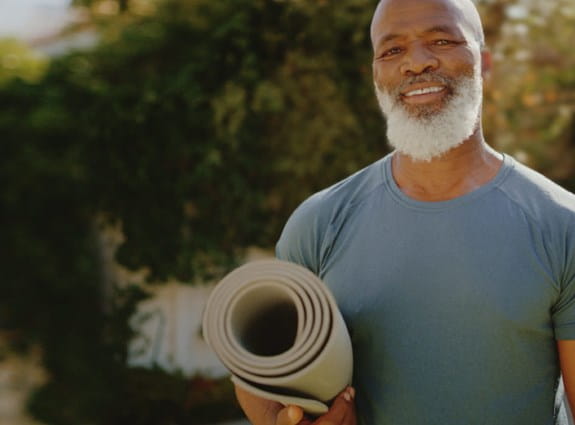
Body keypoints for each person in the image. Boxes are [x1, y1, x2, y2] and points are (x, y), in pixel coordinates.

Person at [235, 0, 575, 423]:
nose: (416, 63)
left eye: (441, 40)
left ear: (484, 62)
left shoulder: (562, 225)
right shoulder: (319, 223)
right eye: (392, 50)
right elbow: (261, 376)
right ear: (376, 74)